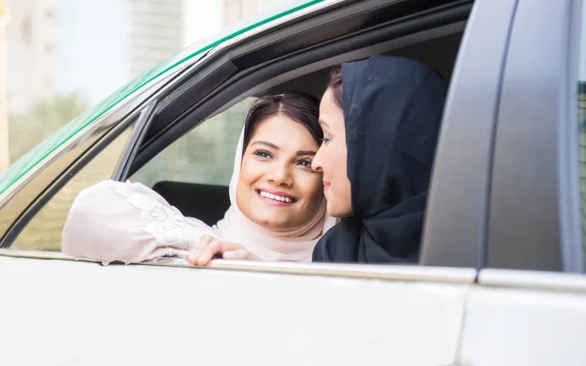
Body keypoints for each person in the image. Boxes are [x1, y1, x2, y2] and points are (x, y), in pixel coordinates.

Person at [62, 91, 335, 265]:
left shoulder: (350, 263)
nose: (279, 176)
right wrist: (212, 252)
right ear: (239, 163)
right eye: (264, 154)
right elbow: (89, 211)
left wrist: (260, 269)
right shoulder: (204, 250)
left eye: (304, 163)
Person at [311, 55, 447, 263]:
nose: (315, 163)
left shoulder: (474, 249)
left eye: (327, 138)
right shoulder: (333, 251)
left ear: (379, 146)